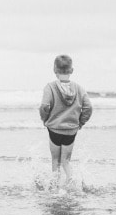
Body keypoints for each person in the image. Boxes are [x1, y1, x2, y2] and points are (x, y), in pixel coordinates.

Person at [39, 55, 92, 186]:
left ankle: (55, 186)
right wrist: (80, 122)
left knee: (55, 160)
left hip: (55, 129)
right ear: (71, 70)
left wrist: (45, 119)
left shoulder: (50, 87)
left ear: (54, 70)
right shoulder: (79, 88)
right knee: (66, 161)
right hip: (71, 130)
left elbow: (44, 106)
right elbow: (88, 107)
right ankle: (72, 183)